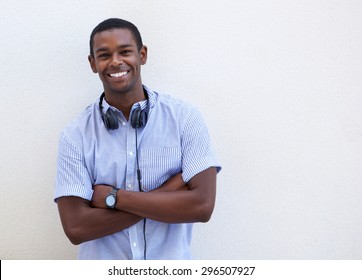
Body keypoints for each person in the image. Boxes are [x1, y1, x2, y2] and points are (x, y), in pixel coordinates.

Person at [54, 18, 221, 260]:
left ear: (142, 55)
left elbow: (202, 206)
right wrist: (169, 190)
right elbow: (77, 228)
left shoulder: (185, 118)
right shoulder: (75, 135)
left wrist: (113, 198)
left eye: (125, 51)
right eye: (104, 55)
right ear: (93, 64)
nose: (115, 62)